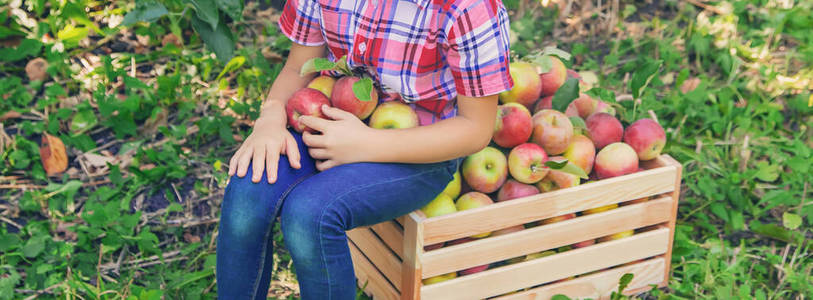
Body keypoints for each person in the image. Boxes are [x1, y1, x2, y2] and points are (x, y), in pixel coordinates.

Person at [215, 0, 513, 298]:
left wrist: (367, 144)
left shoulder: (468, 9)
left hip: (423, 149)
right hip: (336, 121)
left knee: (311, 212)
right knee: (248, 186)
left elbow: (475, 128)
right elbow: (297, 67)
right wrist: (271, 117)